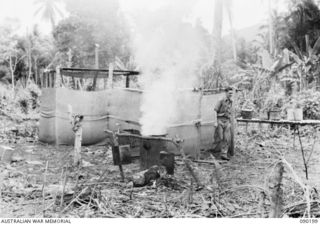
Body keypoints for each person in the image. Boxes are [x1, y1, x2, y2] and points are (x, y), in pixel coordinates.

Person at [213, 87, 234, 161]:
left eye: (232, 93)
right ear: (226, 93)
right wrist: (215, 121)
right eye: (229, 93)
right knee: (220, 137)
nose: (231, 94)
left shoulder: (231, 101)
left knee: (226, 138)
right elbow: (215, 110)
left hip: (227, 120)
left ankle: (223, 154)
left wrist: (230, 121)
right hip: (220, 120)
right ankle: (215, 151)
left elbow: (230, 112)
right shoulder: (221, 100)